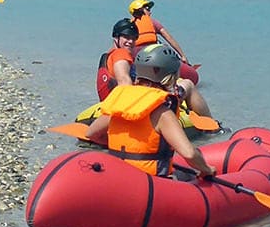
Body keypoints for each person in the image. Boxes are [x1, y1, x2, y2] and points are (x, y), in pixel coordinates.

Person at [82, 43, 216, 180]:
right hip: (150, 182)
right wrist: (207, 169)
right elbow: (189, 154)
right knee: (190, 174)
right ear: (170, 76)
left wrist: (123, 150)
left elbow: (91, 133)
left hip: (119, 177)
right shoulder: (162, 113)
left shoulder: (122, 104)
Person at [127, 0, 212, 119]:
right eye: (147, 8)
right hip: (159, 62)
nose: (150, 11)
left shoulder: (127, 27)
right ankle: (211, 123)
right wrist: (183, 56)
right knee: (190, 80)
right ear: (140, 10)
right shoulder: (153, 23)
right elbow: (169, 38)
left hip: (140, 66)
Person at [96, 18, 139, 101]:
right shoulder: (121, 53)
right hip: (123, 103)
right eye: (126, 37)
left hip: (110, 103)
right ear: (116, 37)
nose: (131, 41)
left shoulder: (110, 55)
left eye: (134, 38)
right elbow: (124, 83)